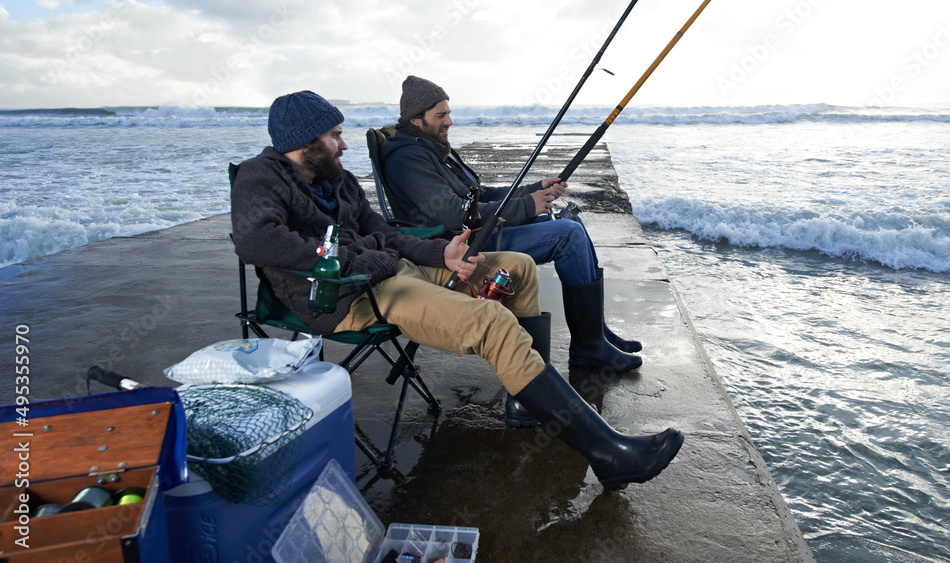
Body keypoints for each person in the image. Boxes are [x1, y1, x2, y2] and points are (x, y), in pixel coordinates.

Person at [230, 90, 683, 491]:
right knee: (491, 321)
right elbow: (256, 240)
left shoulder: (338, 180)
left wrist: (441, 254)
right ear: (303, 143)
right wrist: (355, 262)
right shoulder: (260, 178)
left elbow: (382, 232)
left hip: (391, 271)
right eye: (334, 135)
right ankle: (611, 456)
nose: (344, 143)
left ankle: (526, 401)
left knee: (518, 267)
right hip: (348, 295)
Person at [380, 76, 643, 426]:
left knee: (572, 223)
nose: (449, 121)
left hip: (477, 231)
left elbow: (480, 195)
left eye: (449, 112)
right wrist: (525, 207)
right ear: (416, 119)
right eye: (441, 114)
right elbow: (452, 214)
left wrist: (536, 190)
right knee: (568, 236)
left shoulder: (428, 146)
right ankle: (589, 347)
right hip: (461, 244)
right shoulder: (408, 157)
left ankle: (593, 333)